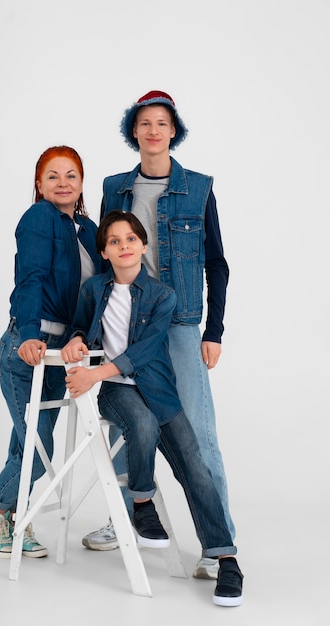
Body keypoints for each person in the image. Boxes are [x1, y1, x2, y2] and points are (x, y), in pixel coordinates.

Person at [82, 90, 234, 581]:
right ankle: (125, 515)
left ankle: (218, 546)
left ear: (173, 131)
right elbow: (102, 249)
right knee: (133, 418)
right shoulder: (115, 187)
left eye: (162, 123)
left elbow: (217, 263)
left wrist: (214, 329)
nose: (153, 131)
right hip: (127, 320)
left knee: (197, 434)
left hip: (183, 321)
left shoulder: (198, 187)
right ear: (134, 131)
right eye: (144, 123)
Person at [61, 210, 243, 606]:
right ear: (104, 252)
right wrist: (76, 340)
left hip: (158, 390)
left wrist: (93, 373)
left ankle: (224, 557)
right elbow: (79, 324)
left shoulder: (163, 296)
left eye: (130, 239)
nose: (123, 246)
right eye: (114, 241)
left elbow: (144, 352)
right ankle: (142, 503)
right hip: (116, 391)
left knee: (195, 466)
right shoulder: (93, 290)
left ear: (143, 246)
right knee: (140, 425)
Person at [0, 146, 105, 558]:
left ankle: (15, 516)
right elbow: (29, 279)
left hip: (60, 355)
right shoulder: (38, 219)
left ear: (82, 183)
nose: (63, 183)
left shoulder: (88, 229)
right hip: (27, 350)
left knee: (26, 442)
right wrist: (31, 333)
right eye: (53, 176)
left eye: (71, 175)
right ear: (39, 184)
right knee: (39, 446)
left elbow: (97, 292)